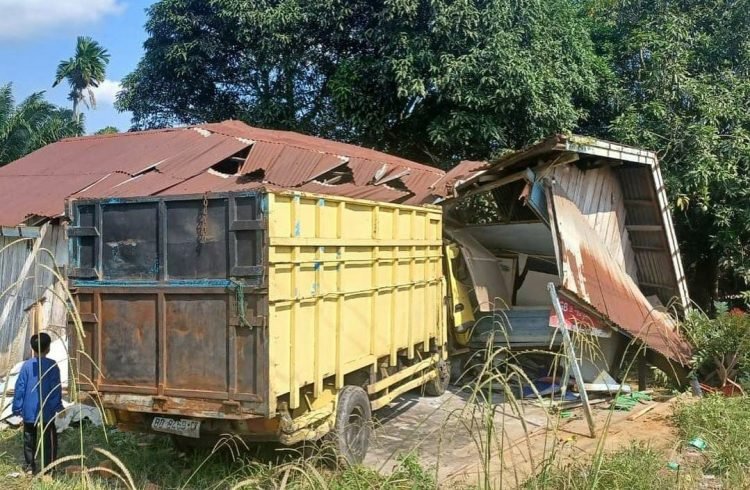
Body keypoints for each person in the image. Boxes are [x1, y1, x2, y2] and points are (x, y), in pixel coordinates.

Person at [12, 332, 64, 475]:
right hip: (46, 410)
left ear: (32, 348)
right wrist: (58, 406)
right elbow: (55, 388)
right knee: (50, 438)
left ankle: (29, 467)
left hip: (29, 411)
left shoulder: (26, 366)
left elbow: (20, 387)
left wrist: (17, 407)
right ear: (48, 348)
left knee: (29, 437)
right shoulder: (52, 365)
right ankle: (49, 468)